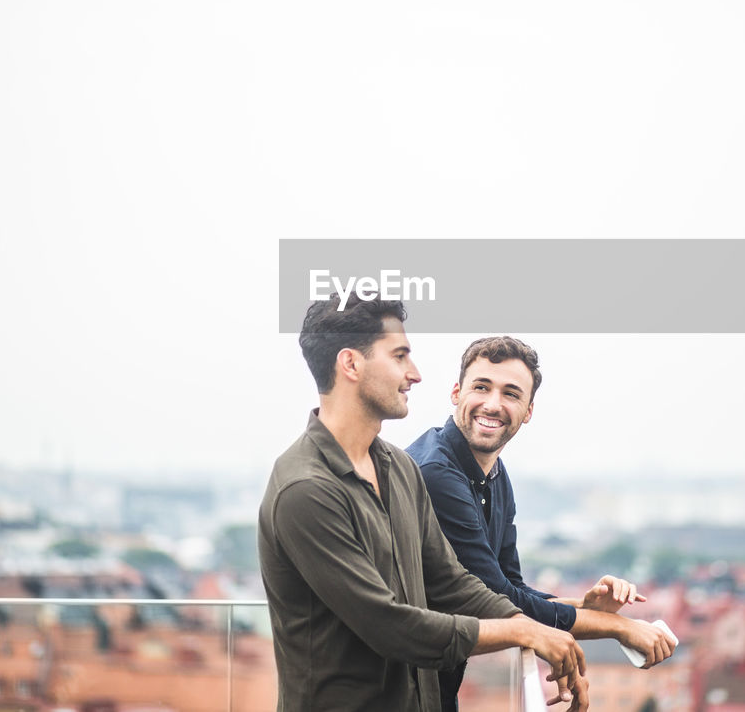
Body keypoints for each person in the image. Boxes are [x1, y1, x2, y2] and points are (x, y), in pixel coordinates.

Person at [259, 297, 588, 712]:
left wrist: (530, 626)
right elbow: (390, 625)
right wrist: (526, 634)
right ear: (351, 364)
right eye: (400, 357)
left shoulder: (399, 467)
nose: (414, 374)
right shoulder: (305, 489)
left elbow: (453, 581)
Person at [407, 335, 678, 711]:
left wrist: (585, 608)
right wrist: (619, 628)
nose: (493, 403)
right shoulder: (436, 473)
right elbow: (493, 601)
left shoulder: (495, 476)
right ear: (456, 392)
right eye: (481, 387)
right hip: (397, 687)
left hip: (434, 686)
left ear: (528, 411)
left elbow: (510, 587)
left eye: (511, 393)